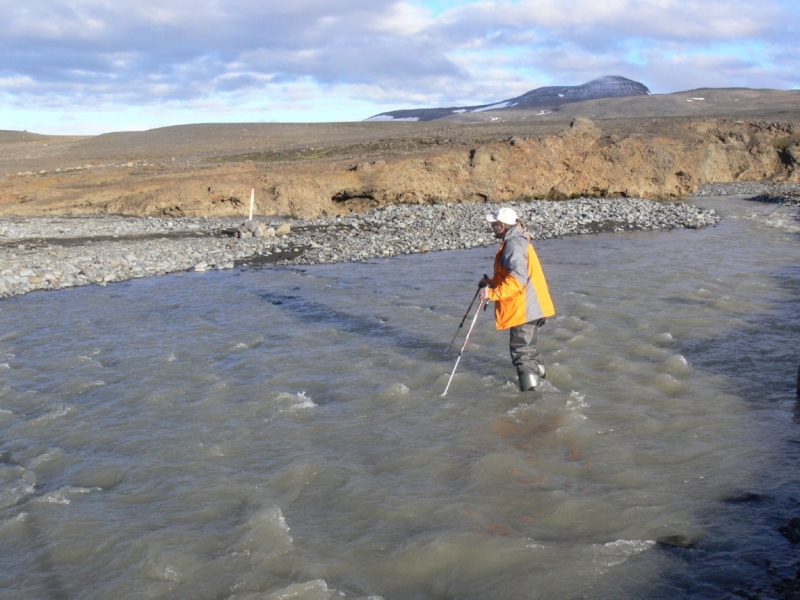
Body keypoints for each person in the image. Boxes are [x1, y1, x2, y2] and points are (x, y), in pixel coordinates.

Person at [479, 207, 555, 391]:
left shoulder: (513, 246)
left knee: (522, 353)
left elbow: (518, 279)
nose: (492, 227)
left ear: (503, 226)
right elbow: (512, 275)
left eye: (494, 224)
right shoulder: (517, 241)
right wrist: (490, 283)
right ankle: (543, 384)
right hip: (535, 306)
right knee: (530, 350)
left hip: (525, 309)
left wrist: (493, 294)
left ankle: (531, 398)